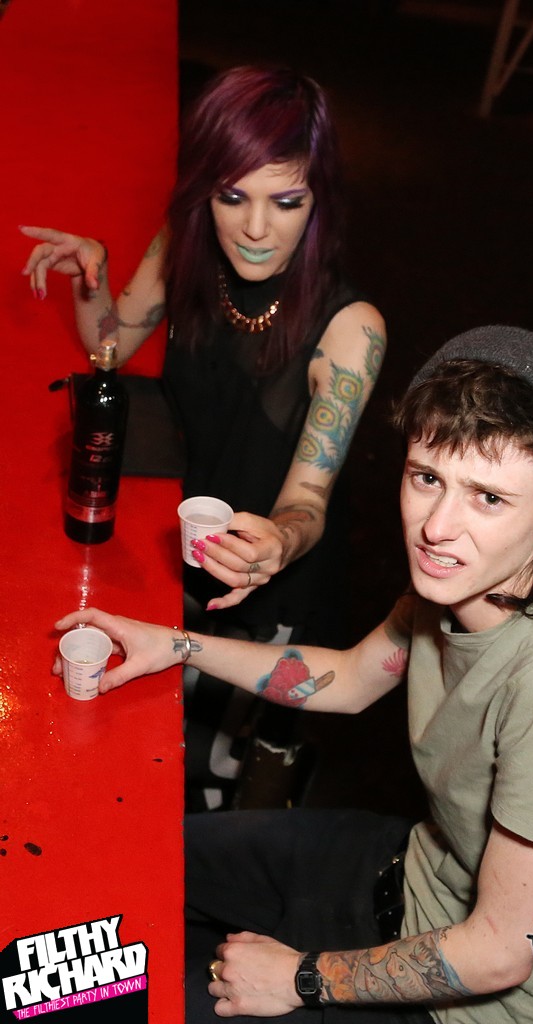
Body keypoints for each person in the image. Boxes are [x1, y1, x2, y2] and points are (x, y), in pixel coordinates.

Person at [54, 325, 533, 1024]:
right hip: (411, 873)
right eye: (427, 478)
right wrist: (178, 645)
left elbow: (499, 953)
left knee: (120, 1001)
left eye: (489, 498)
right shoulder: (471, 579)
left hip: (471, 1002)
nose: (436, 528)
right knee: (135, 858)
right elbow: (348, 679)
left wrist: (299, 979)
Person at [23, 65, 386, 809]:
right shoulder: (183, 251)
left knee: (218, 757)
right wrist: (92, 277)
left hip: (267, 573)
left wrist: (278, 542)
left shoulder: (350, 331)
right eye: (232, 197)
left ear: (319, 200)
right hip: (185, 533)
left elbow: (308, 500)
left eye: (286, 202)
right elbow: (109, 346)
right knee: (150, 723)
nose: (255, 229)